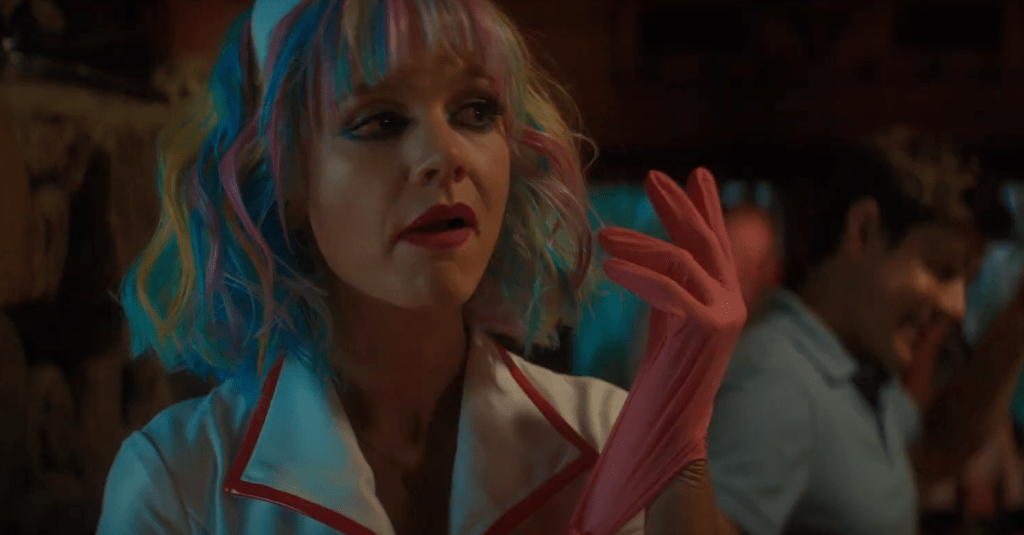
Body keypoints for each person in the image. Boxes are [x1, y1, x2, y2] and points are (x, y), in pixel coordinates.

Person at [95, 0, 744, 533]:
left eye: (476, 111)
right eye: (380, 120)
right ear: (287, 177)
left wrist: (678, 452)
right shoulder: (179, 483)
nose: (444, 154)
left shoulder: (607, 433)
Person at [706, 128, 1023, 535]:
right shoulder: (777, 380)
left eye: (966, 280)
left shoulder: (851, 367)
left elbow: (933, 451)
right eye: (943, 270)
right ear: (864, 229)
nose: (957, 307)